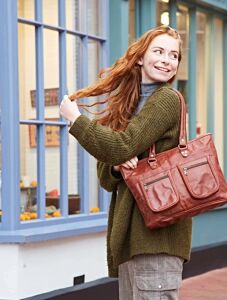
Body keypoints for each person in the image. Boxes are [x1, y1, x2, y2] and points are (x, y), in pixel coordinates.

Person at [59, 25, 192, 300]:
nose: (167, 60)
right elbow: (106, 175)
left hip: (157, 241)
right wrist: (117, 166)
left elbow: (121, 146)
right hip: (134, 240)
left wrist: (77, 119)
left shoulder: (166, 100)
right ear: (140, 57)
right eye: (159, 51)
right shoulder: (131, 105)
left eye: (173, 55)